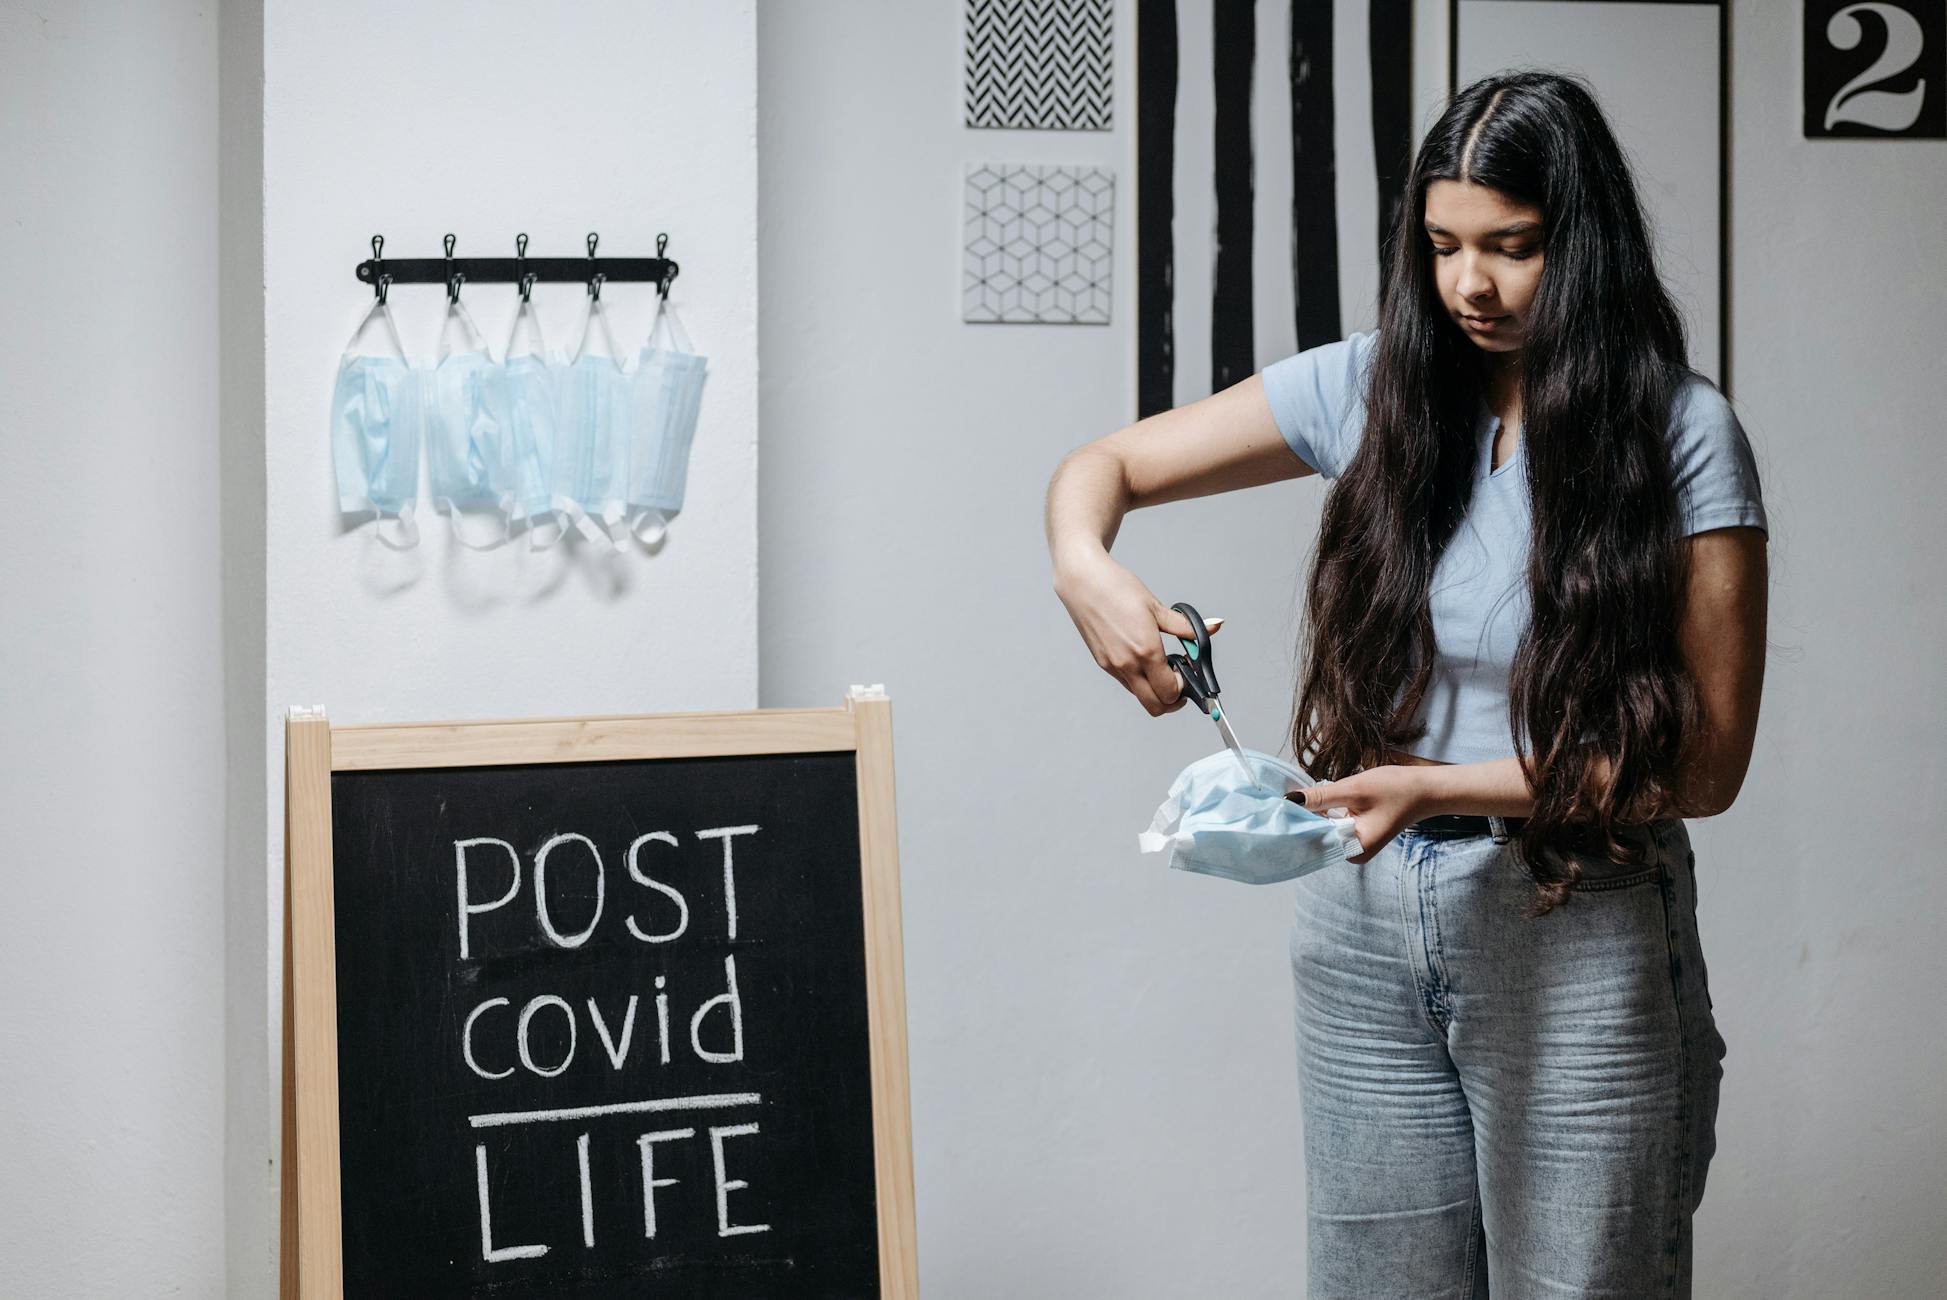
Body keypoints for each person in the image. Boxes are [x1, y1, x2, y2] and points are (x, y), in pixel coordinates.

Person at [1044, 70, 1767, 1297]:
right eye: (1441, 246)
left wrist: (1435, 789)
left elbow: (1704, 766)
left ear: (1581, 246)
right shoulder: (1378, 387)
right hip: (1365, 920)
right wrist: (1087, 568)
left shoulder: (1682, 434)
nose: (1469, 286)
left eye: (1512, 248)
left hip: (1576, 919)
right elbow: (1103, 465)